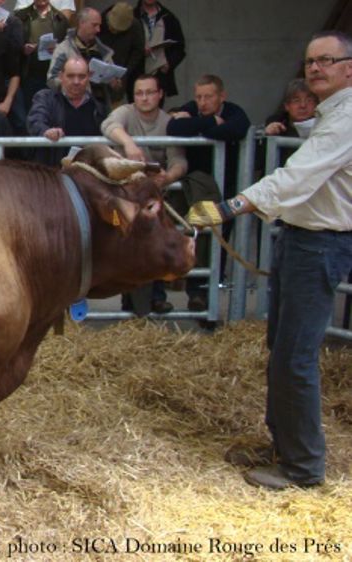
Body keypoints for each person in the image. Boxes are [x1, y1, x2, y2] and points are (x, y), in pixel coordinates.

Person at [186, 31, 352, 491]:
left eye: (326, 61)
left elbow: (297, 176)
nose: (315, 69)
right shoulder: (331, 115)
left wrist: (229, 207)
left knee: (294, 358)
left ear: (349, 68)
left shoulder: (347, 119)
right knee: (281, 351)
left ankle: (302, 467)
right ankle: (285, 447)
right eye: (310, 62)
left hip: (319, 244)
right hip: (302, 240)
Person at [101, 73, 187, 314]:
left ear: (160, 94)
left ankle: (156, 298)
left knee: (157, 244)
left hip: (156, 197)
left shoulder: (169, 122)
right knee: (125, 245)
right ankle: (130, 302)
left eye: (150, 92)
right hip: (126, 197)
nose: (144, 97)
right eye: (139, 93)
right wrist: (128, 143)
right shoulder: (126, 113)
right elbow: (108, 125)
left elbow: (179, 159)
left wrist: (169, 177)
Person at [166, 74, 250, 311]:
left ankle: (212, 294)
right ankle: (196, 294)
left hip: (226, 189)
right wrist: (212, 121)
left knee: (219, 240)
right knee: (196, 236)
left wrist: (199, 125)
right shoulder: (192, 108)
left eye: (208, 97)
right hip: (196, 188)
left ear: (221, 96)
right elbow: (174, 127)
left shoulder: (234, 111)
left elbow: (237, 129)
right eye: (199, 97)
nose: (202, 102)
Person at [28, 56, 106, 165]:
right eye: (70, 76)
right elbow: (35, 121)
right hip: (52, 173)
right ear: (61, 76)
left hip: (87, 174)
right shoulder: (45, 98)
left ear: (89, 77)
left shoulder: (99, 107)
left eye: (81, 76)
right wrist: (46, 131)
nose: (76, 81)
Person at [47, 7, 117, 108]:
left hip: (100, 107)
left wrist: (114, 83)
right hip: (71, 106)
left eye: (99, 25)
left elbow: (114, 83)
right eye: (94, 25)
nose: (98, 30)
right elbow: (51, 79)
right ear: (81, 23)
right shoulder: (64, 49)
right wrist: (72, 83)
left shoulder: (103, 51)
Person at [14, 0, 69, 106]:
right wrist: (22, 48)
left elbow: (67, 46)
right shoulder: (20, 17)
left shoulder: (61, 18)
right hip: (28, 74)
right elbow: (11, 44)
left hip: (52, 75)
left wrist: (58, 49)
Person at [133, 0, 184, 99]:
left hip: (159, 73)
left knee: (155, 108)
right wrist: (140, 49)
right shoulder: (132, 16)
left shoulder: (168, 17)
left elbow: (179, 47)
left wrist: (169, 64)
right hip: (136, 73)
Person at [99, 2, 144, 104]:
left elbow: (138, 50)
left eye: (117, 30)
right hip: (99, 68)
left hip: (120, 71)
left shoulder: (135, 26)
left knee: (114, 104)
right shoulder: (100, 21)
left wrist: (126, 70)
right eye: (112, 27)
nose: (113, 30)